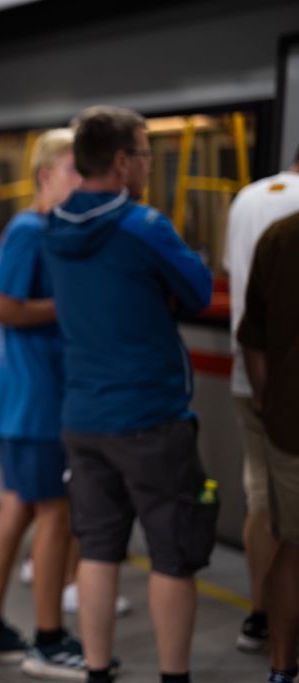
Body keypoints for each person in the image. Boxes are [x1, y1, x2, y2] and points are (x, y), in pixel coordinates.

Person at [42, 106, 215, 683]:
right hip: (151, 418)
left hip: (83, 417)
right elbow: (195, 290)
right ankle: (174, 678)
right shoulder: (145, 226)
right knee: (173, 555)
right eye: (144, 154)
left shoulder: (54, 226)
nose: (146, 164)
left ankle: (96, 672)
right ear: (121, 162)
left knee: (97, 550)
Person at [0, 129, 90, 678]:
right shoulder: (33, 230)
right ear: (46, 176)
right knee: (54, 514)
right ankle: (49, 641)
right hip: (34, 398)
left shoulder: (39, 229)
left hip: (24, 394)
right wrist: (69, 307)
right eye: (74, 170)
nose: (84, 181)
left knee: (18, 506)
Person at [222, 148, 299, 654]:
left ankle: (259, 618)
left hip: (251, 377)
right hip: (288, 386)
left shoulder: (248, 198)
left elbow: (235, 277)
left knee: (262, 501)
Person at [237, 209, 299, 683]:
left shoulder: (280, 235)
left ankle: (282, 669)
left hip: (289, 421)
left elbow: (251, 336)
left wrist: (265, 398)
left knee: (293, 548)